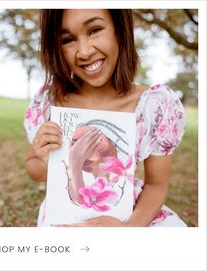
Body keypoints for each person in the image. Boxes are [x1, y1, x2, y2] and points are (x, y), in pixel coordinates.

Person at [24, 9, 187, 227]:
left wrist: (128, 232)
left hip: (135, 217)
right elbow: (33, 167)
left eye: (95, 30)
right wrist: (50, 159)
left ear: (120, 30)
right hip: (67, 217)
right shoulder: (52, 100)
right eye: (68, 39)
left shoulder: (153, 104)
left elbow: (157, 184)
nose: (84, 51)